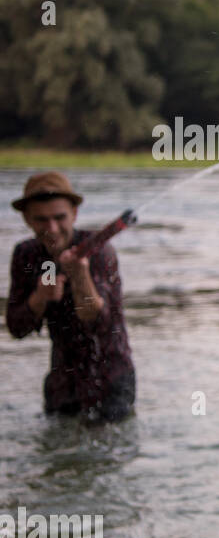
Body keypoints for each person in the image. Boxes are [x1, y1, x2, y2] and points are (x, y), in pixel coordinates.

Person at [7, 172, 135, 424]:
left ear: (74, 213)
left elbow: (97, 319)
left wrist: (79, 275)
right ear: (26, 219)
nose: (52, 229)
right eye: (41, 220)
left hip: (110, 380)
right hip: (61, 383)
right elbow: (16, 327)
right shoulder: (26, 255)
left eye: (59, 217)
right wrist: (40, 298)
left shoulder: (99, 252)